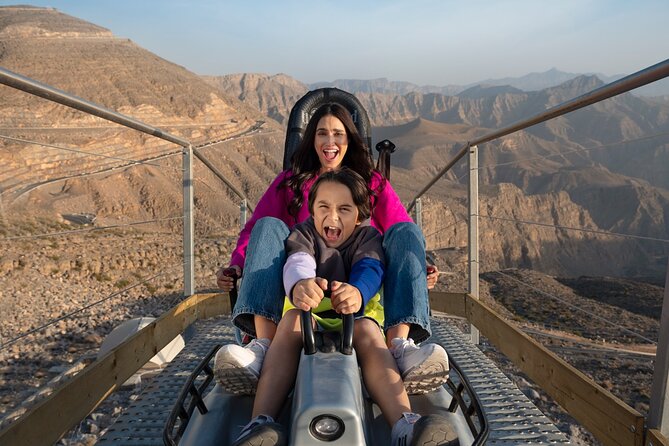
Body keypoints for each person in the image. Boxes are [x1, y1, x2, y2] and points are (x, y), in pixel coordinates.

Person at [215, 101, 449, 396]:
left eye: (338, 134)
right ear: (311, 140)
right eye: (322, 133)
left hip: (362, 285)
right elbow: (255, 232)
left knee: (406, 230)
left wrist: (418, 265)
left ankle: (400, 347)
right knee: (268, 225)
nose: (330, 142)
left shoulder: (372, 184)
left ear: (349, 140)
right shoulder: (290, 183)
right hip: (302, 290)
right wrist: (237, 264)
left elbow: (400, 230)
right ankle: (263, 347)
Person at [231, 168, 457, 446]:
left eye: (344, 209)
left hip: (356, 316)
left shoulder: (368, 238)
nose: (333, 216)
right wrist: (300, 284)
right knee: (291, 323)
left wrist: (358, 292)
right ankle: (259, 422)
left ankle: (404, 423)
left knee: (369, 334)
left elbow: (370, 267)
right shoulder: (303, 234)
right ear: (312, 211)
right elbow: (298, 261)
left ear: (359, 215)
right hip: (310, 314)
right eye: (323, 207)